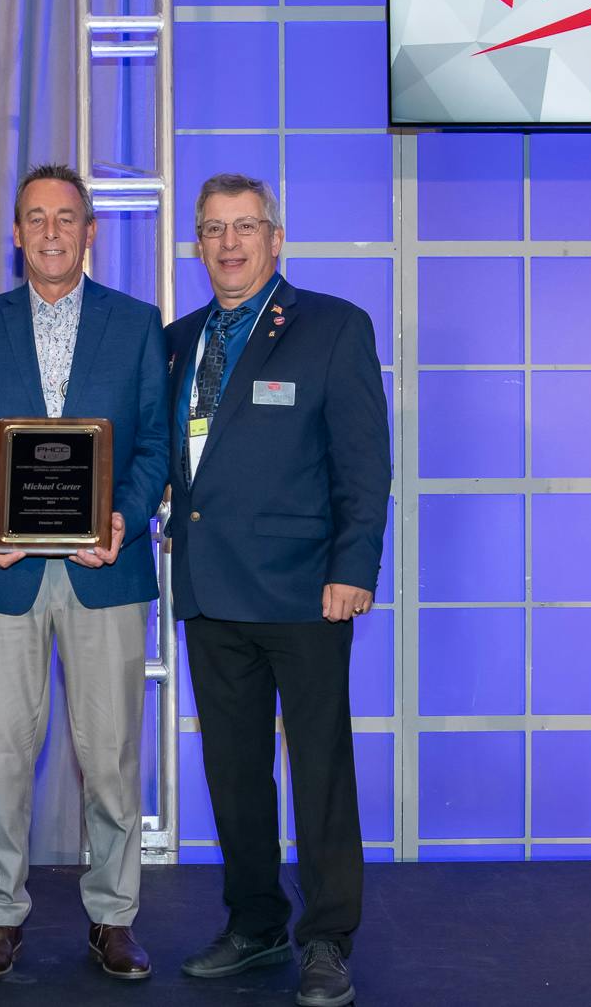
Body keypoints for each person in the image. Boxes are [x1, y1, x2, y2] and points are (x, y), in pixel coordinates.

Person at [0, 163, 170, 981]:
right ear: (15, 233)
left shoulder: (137, 325)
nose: (51, 232)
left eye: (66, 217)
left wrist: (123, 516)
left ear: (90, 232)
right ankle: (0, 913)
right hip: (4, 574)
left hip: (107, 568)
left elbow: (154, 444)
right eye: (35, 218)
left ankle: (114, 916)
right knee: (0, 757)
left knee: (111, 757)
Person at [165, 173, 391, 1007]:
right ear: (198, 243)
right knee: (234, 774)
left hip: (305, 594)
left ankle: (327, 937)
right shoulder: (175, 341)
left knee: (320, 772)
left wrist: (353, 567)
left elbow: (364, 462)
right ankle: (255, 921)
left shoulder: (332, 325)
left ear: (275, 236)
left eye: (245, 226)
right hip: (208, 591)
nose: (229, 243)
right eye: (213, 229)